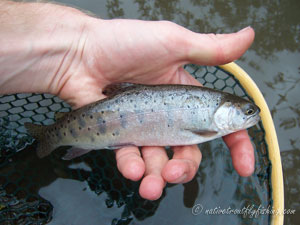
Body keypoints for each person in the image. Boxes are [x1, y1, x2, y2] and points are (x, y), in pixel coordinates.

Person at [0, 1, 255, 200]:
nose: (251, 115)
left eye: (247, 112)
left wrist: (76, 49)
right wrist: (77, 49)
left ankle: (52, 135)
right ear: (226, 110)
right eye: (246, 112)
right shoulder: (206, 127)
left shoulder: (209, 118)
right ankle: (51, 135)